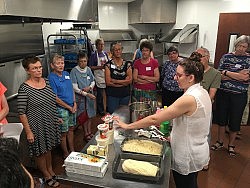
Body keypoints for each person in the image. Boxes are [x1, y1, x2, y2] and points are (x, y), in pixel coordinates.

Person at [117, 55, 212, 188]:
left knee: (186, 185)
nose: (175, 78)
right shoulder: (202, 91)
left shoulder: (190, 98)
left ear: (191, 78)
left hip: (188, 152)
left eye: (179, 75)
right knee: (191, 183)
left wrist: (127, 126)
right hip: (197, 148)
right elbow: (191, 121)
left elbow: (155, 119)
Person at [17, 55, 61, 187]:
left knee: (48, 148)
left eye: (40, 67)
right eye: (34, 68)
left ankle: (50, 170)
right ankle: (46, 174)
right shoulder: (24, 89)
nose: (38, 70)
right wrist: (29, 131)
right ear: (27, 70)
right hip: (36, 125)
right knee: (40, 151)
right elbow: (21, 112)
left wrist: (55, 116)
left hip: (49, 122)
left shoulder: (46, 82)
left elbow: (51, 101)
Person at [211, 35, 250, 156]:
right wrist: (237, 74)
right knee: (221, 119)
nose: (241, 49)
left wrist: (227, 72)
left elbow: (246, 77)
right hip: (223, 93)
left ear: (247, 47)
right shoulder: (226, 57)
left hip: (239, 95)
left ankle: (231, 145)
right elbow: (219, 75)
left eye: (244, 46)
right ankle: (220, 141)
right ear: (235, 45)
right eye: (239, 46)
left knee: (235, 120)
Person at [48, 54, 77, 159]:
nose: (61, 65)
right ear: (52, 65)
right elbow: (55, 98)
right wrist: (68, 107)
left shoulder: (66, 74)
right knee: (63, 133)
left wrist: (74, 103)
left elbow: (71, 89)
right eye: (58, 63)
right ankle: (65, 153)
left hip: (71, 106)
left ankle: (72, 150)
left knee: (71, 129)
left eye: (62, 63)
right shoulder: (51, 78)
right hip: (61, 109)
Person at [70, 52, 96, 142]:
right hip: (80, 98)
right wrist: (85, 93)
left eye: (85, 61)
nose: (83, 63)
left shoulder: (88, 69)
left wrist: (90, 87)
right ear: (78, 62)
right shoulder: (74, 71)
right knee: (84, 116)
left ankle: (89, 132)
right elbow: (74, 88)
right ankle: (86, 134)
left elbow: (93, 81)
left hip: (89, 97)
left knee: (90, 116)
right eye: (81, 61)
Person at [105, 42, 133, 114]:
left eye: (119, 49)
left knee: (124, 115)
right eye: (115, 50)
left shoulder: (128, 64)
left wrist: (114, 81)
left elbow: (130, 80)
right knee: (113, 115)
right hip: (112, 95)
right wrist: (124, 82)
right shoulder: (108, 65)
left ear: (122, 50)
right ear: (112, 51)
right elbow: (108, 82)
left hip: (125, 95)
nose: (118, 51)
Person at [88, 38, 109, 116]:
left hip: (106, 76)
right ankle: (100, 110)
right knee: (100, 95)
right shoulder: (93, 55)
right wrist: (100, 67)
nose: (102, 46)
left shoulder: (105, 54)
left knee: (107, 94)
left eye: (103, 44)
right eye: (100, 44)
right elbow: (90, 67)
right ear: (96, 46)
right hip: (98, 77)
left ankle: (107, 108)